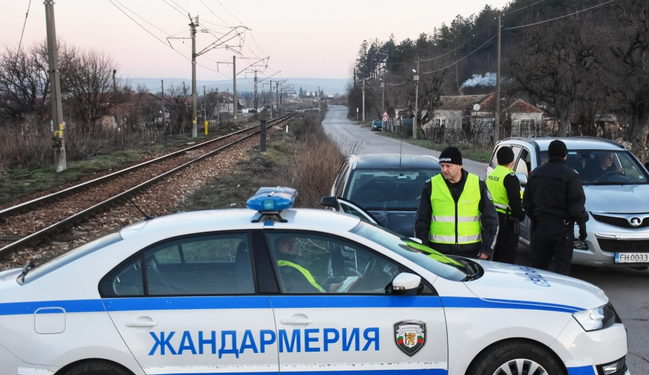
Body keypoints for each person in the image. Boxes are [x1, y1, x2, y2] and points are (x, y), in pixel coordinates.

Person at [414, 147, 499, 260]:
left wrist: (487, 249)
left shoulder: (477, 185)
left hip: (472, 253)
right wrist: (424, 249)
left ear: (460, 166)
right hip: (438, 253)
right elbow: (421, 221)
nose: (444, 170)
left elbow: (491, 220)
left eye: (448, 166)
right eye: (442, 166)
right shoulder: (431, 185)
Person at [522, 140, 588, 275]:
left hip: (541, 227)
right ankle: (558, 294)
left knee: (539, 265)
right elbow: (576, 206)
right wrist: (582, 227)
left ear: (549, 155)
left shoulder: (536, 173)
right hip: (562, 228)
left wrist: (536, 218)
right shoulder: (570, 175)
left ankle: (538, 293)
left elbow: (527, 203)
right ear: (565, 155)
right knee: (561, 267)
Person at [486, 146, 526, 264]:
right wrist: (521, 215)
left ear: (497, 160)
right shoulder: (510, 176)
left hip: (491, 216)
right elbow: (514, 201)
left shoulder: (492, 174)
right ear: (512, 161)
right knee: (506, 256)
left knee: (492, 251)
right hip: (505, 221)